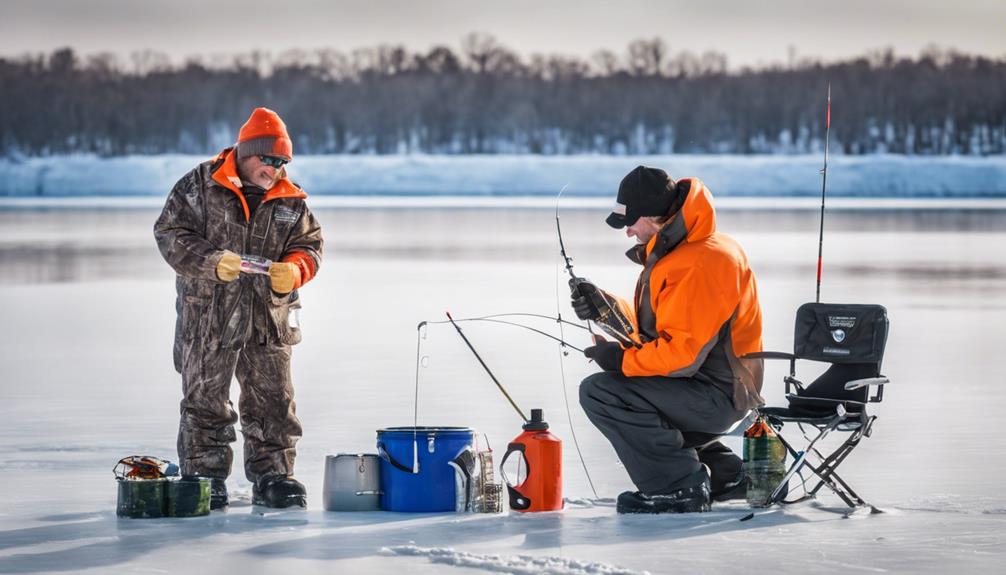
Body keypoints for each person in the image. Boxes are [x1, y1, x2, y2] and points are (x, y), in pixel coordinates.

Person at [154, 107, 323, 509]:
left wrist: (296, 270)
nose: (275, 169)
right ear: (248, 152)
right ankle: (204, 478)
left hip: (269, 318)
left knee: (274, 402)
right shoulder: (199, 185)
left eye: (283, 162)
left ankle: (275, 477)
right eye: (269, 159)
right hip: (207, 317)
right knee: (205, 399)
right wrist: (212, 261)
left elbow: (311, 246)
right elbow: (169, 234)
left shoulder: (291, 198)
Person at [574, 165, 764, 514]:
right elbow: (667, 327)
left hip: (718, 394)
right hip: (703, 387)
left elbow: (681, 356)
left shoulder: (702, 263)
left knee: (602, 391)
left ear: (652, 215)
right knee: (624, 385)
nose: (628, 231)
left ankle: (678, 488)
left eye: (630, 221)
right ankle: (726, 473)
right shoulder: (683, 253)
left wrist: (621, 361)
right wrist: (605, 306)